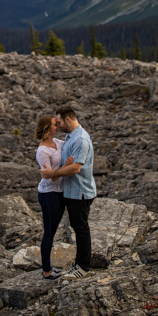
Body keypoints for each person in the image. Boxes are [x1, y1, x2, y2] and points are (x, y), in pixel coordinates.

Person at [40, 105, 95, 280]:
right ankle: (79, 264)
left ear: (68, 119)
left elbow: (75, 169)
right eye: (56, 124)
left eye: (60, 122)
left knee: (81, 228)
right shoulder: (70, 137)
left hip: (80, 192)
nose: (59, 126)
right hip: (71, 192)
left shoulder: (80, 139)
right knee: (78, 228)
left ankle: (83, 267)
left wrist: (53, 173)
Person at [34, 115, 73, 279]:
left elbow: (70, 143)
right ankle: (46, 271)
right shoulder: (42, 151)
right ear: (47, 128)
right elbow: (49, 177)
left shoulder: (57, 143)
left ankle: (48, 268)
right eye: (55, 124)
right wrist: (65, 168)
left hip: (59, 192)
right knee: (49, 232)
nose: (58, 126)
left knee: (53, 230)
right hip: (49, 193)